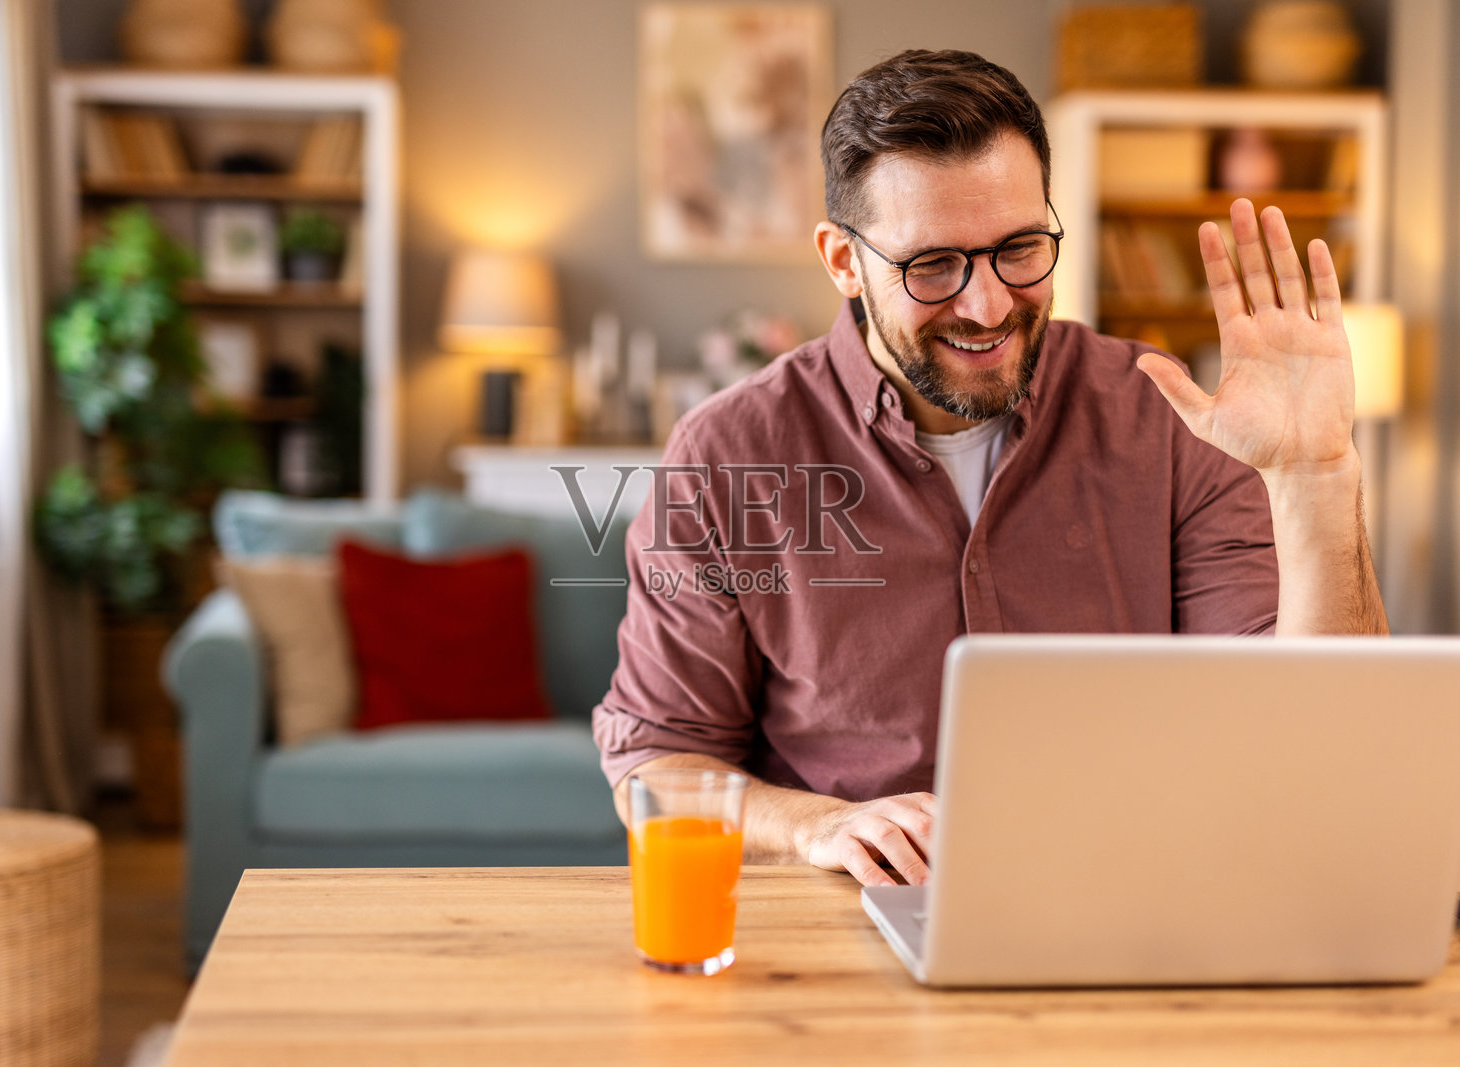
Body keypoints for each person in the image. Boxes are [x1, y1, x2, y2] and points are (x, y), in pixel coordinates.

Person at [592, 49, 1386, 889]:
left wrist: (1316, 477)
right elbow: (657, 764)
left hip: (1134, 905)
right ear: (840, 260)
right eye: (932, 264)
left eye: (1020, 247)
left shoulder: (1168, 417)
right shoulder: (727, 453)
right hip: (847, 934)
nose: (988, 304)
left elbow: (1308, 745)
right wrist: (817, 825)